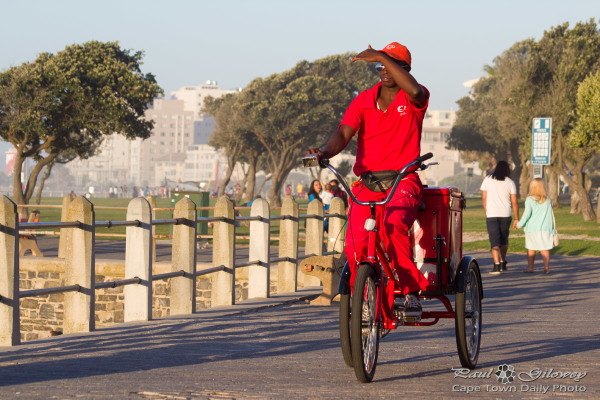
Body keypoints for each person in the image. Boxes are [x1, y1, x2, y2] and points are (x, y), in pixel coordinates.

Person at [306, 41, 430, 318]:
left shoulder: (413, 98)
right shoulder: (363, 99)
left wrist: (383, 56)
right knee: (355, 243)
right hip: (367, 183)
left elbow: (414, 90)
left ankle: (410, 292)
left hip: (403, 180)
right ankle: (365, 299)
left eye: (391, 65)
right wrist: (324, 151)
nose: (383, 70)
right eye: (379, 66)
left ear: (404, 69)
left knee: (393, 227)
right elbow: (344, 133)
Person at [480, 160, 519, 275]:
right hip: (506, 214)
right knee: (504, 239)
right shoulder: (510, 182)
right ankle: (502, 261)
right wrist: (517, 218)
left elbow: (484, 198)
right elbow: (514, 202)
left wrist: (487, 211)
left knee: (494, 240)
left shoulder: (487, 180)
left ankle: (496, 265)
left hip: (492, 214)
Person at [516, 178, 555, 274]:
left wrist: (519, 224)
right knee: (544, 248)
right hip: (546, 228)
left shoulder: (529, 199)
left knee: (531, 248)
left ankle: (530, 268)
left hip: (532, 229)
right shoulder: (548, 200)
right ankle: (546, 267)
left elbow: (527, 214)